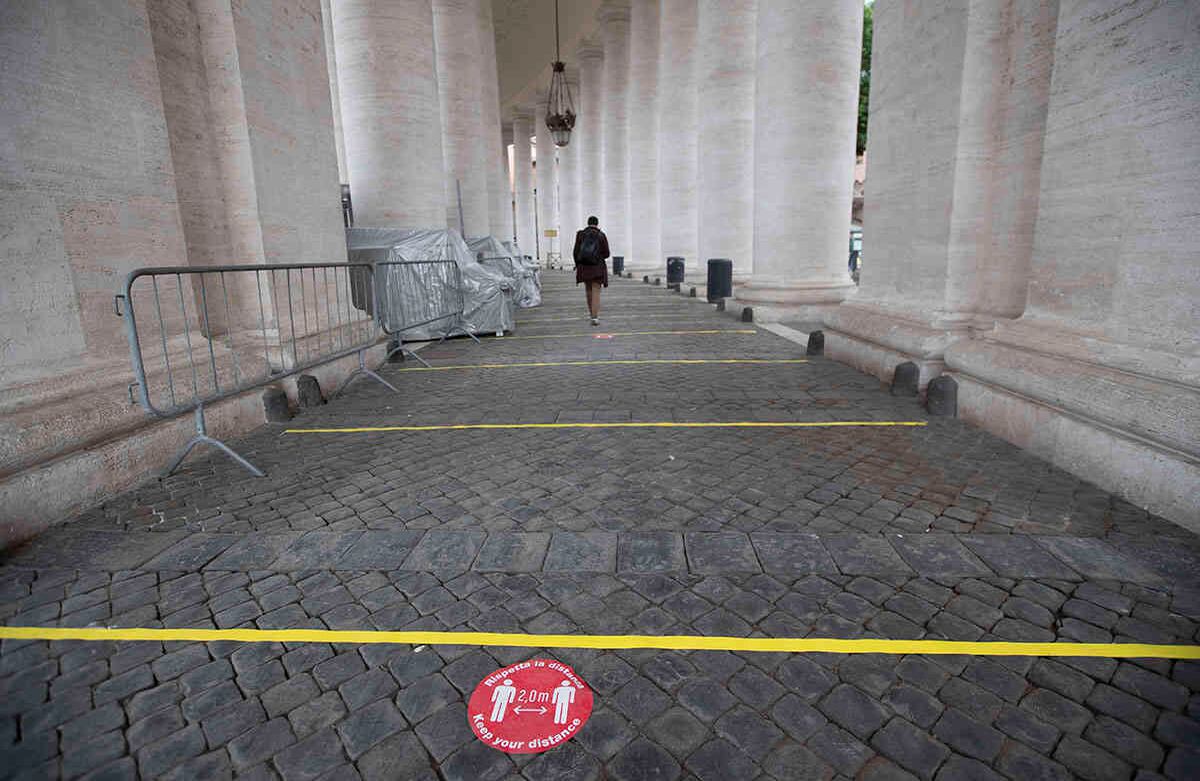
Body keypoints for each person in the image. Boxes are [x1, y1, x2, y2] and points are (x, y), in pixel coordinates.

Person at [572, 216, 610, 326]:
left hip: (584, 268)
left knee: (588, 291)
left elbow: (575, 251)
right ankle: (595, 317)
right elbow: (607, 253)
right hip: (597, 268)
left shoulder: (580, 234)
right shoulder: (601, 235)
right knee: (596, 291)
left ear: (588, 223)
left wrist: (577, 264)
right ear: (597, 224)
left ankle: (591, 314)